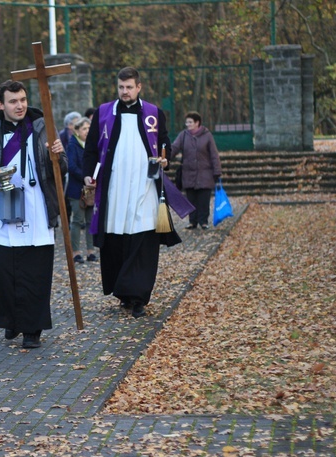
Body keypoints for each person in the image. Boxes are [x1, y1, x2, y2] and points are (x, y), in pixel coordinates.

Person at [0, 80, 67, 349]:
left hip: (36, 208)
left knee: (35, 273)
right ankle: (11, 317)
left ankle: (32, 329)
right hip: (1, 205)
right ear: (1, 104)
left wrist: (59, 156)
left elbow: (61, 168)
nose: (20, 105)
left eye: (22, 99)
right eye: (13, 101)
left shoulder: (42, 125)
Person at [82, 67, 177, 319]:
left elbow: (166, 142)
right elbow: (91, 148)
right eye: (121, 87)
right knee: (116, 240)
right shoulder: (103, 113)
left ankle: (138, 298)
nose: (124, 92)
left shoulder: (154, 113)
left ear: (139, 87)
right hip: (113, 189)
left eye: (129, 87)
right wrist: (88, 174)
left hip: (145, 186)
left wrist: (166, 159)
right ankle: (123, 293)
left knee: (143, 239)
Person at [171, 111, 222, 230]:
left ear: (197, 123)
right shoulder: (183, 135)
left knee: (203, 199)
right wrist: (164, 157)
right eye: (186, 122)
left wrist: (217, 171)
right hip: (188, 173)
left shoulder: (207, 135)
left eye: (190, 122)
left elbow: (214, 154)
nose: (187, 124)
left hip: (205, 173)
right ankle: (192, 221)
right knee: (191, 199)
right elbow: (174, 148)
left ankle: (203, 221)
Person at [65, 117, 97, 263]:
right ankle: (76, 252)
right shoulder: (72, 145)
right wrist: (84, 177)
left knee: (91, 220)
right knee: (77, 220)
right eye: (84, 129)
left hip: (91, 189)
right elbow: (71, 166)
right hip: (77, 189)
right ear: (76, 131)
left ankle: (91, 251)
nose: (87, 131)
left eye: (89, 128)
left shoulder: (92, 144)